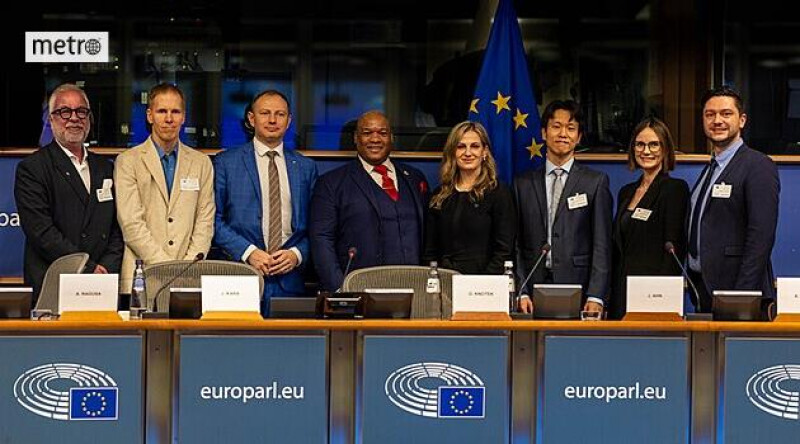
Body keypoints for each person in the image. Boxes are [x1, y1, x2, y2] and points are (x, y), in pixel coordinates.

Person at [14, 83, 123, 302]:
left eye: (81, 111)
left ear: (89, 118)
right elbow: (42, 233)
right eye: (65, 111)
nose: (74, 118)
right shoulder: (32, 168)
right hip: (54, 283)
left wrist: (106, 268)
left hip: (102, 284)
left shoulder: (106, 167)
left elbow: (117, 227)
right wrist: (88, 268)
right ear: (51, 119)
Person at [213, 90, 318, 315]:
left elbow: (318, 226)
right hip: (239, 277)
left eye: (280, 114)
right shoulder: (225, 163)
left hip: (290, 281)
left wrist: (297, 254)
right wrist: (248, 252)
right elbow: (214, 220)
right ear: (251, 119)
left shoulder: (306, 168)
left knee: (287, 339)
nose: (272, 120)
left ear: (288, 121)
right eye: (265, 113)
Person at [310, 110, 429, 291]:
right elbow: (321, 240)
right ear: (356, 138)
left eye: (382, 133)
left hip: (415, 288)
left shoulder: (414, 178)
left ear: (391, 138)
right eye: (367, 133)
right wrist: (341, 290)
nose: (375, 139)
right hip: (360, 291)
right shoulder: (331, 183)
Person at [514, 99, 612, 315]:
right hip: (532, 287)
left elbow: (602, 243)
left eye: (571, 128)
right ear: (543, 133)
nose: (563, 134)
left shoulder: (595, 182)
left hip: (579, 287)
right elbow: (516, 243)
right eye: (556, 126)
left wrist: (596, 295)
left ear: (579, 137)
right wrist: (520, 290)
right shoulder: (522, 184)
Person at [114, 83, 215, 293]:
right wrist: (167, 269)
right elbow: (131, 225)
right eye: (162, 111)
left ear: (183, 117)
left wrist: (185, 269)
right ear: (150, 115)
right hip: (142, 275)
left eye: (175, 112)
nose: (169, 119)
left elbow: (205, 222)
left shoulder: (202, 163)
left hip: (189, 277)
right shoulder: (128, 161)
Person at [687, 86, 780, 312]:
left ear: (742, 120)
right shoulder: (711, 169)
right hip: (705, 290)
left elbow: (761, 237)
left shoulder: (758, 165)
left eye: (726, 114)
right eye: (710, 114)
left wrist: (741, 296)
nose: (717, 120)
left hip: (738, 294)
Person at [608, 117, 689, 319]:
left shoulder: (675, 189)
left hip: (653, 295)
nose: (646, 151)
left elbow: (674, 251)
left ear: (665, 149)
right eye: (640, 144)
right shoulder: (626, 192)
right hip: (621, 291)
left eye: (654, 144)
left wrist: (659, 297)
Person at [422, 121, 515, 274]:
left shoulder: (499, 193)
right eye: (460, 147)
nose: (467, 153)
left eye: (475, 146)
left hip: (485, 283)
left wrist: (480, 284)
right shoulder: (439, 195)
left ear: (485, 151)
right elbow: (430, 252)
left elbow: (504, 251)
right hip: (444, 281)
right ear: (452, 152)